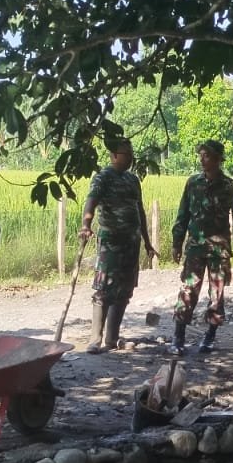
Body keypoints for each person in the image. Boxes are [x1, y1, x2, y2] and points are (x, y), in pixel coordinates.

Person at [169, 140, 233, 355]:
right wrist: (177, 243)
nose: (202, 160)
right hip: (195, 247)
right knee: (188, 290)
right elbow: (183, 214)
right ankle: (178, 337)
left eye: (207, 156)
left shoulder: (229, 186)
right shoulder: (192, 183)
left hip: (219, 249)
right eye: (201, 155)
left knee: (217, 294)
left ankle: (210, 336)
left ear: (217, 160)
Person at [78, 137, 156, 354]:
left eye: (131, 154)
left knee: (125, 290)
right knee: (104, 289)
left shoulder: (133, 180)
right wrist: (86, 225)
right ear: (113, 155)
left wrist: (147, 242)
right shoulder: (103, 177)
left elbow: (140, 211)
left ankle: (112, 338)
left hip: (132, 242)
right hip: (111, 241)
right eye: (126, 154)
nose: (130, 158)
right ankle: (95, 339)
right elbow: (91, 201)